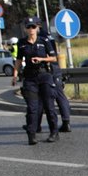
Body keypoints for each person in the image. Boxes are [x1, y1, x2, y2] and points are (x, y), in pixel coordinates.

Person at [11, 17, 61, 145]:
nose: (31, 29)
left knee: (49, 106)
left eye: (33, 27)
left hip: (44, 75)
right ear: (25, 29)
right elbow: (18, 60)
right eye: (29, 27)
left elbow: (54, 58)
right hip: (30, 78)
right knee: (32, 108)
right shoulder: (21, 43)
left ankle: (54, 132)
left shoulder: (44, 40)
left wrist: (41, 59)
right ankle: (31, 135)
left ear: (37, 28)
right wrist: (15, 75)